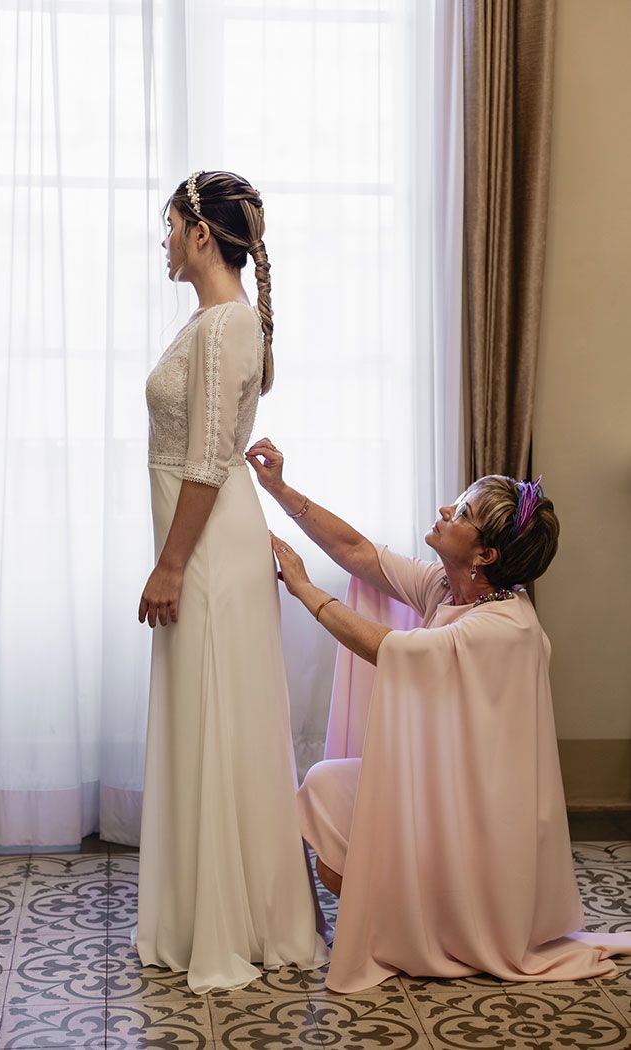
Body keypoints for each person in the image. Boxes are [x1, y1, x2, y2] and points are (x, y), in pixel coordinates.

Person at [246, 437, 630, 992]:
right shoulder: (452, 590)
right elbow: (358, 552)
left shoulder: (503, 627)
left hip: (479, 821)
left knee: (332, 804)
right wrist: (280, 489)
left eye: (464, 513)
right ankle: (407, 916)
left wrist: (304, 589)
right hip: (441, 792)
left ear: (485, 556)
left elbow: (388, 648)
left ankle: (421, 923)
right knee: (326, 791)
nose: (447, 509)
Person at [136, 173, 327, 995]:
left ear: (201, 235)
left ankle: (235, 924)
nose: (165, 241)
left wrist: (172, 564)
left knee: (219, 716)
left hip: (210, 548)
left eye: (170, 225)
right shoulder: (214, 321)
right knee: (205, 717)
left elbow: (209, 462)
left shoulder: (226, 324)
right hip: (207, 540)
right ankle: (207, 912)